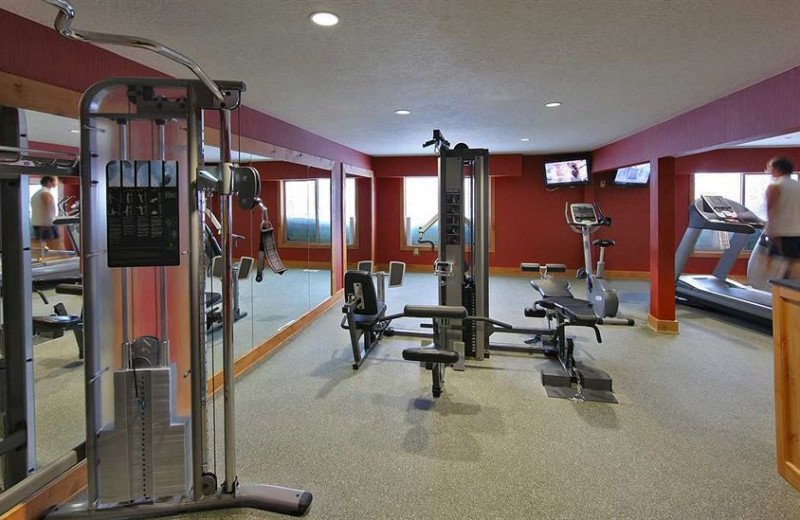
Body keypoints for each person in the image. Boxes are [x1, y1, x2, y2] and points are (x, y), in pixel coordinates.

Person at [747, 157, 800, 290]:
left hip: (780, 233)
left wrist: (771, 232)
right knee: (792, 265)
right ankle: (789, 295)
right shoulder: (797, 186)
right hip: (797, 233)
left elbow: (770, 211)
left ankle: (764, 294)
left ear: (777, 169)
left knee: (766, 265)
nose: (769, 171)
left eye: (770, 168)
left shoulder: (775, 186)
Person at [30, 176, 58, 261]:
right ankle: (65, 259)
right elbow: (46, 209)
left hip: (40, 222)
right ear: (49, 182)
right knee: (54, 242)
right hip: (45, 222)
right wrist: (48, 223)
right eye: (54, 181)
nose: (56, 183)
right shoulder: (45, 193)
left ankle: (41, 259)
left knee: (43, 242)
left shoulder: (38, 193)